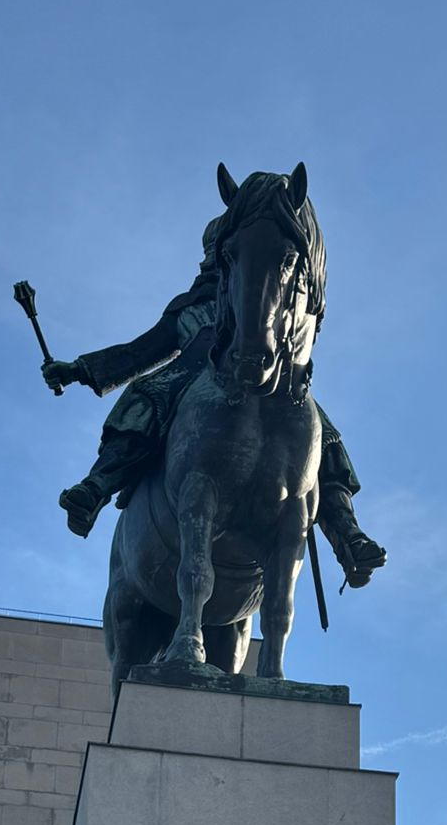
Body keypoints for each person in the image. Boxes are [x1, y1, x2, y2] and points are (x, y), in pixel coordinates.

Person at [40, 175, 386, 587]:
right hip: (192, 376)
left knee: (323, 437)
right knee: (144, 397)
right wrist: (79, 369)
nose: (209, 261)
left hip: (268, 379)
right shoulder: (190, 306)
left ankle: (347, 535)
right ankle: (97, 487)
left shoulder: (257, 292)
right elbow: (141, 351)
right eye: (211, 253)